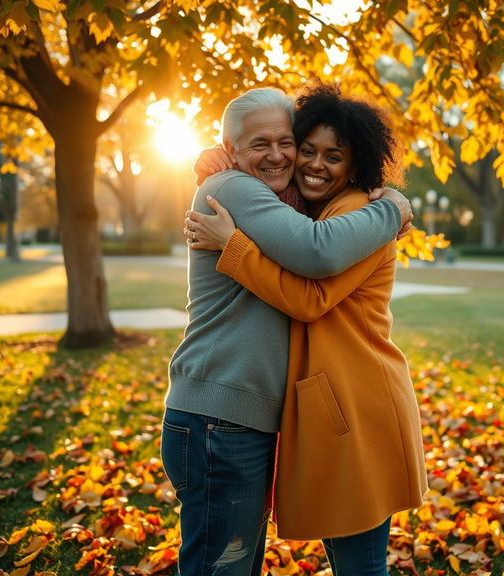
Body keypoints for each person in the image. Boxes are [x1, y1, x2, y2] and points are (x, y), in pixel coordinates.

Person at [161, 86, 413, 576]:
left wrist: (392, 205)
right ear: (231, 149)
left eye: (287, 143)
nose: (290, 158)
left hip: (348, 407)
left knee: (349, 565)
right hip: (225, 411)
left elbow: (309, 292)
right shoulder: (239, 189)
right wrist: (393, 209)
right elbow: (312, 259)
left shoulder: (347, 215)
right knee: (227, 564)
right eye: (261, 144)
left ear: (356, 161)